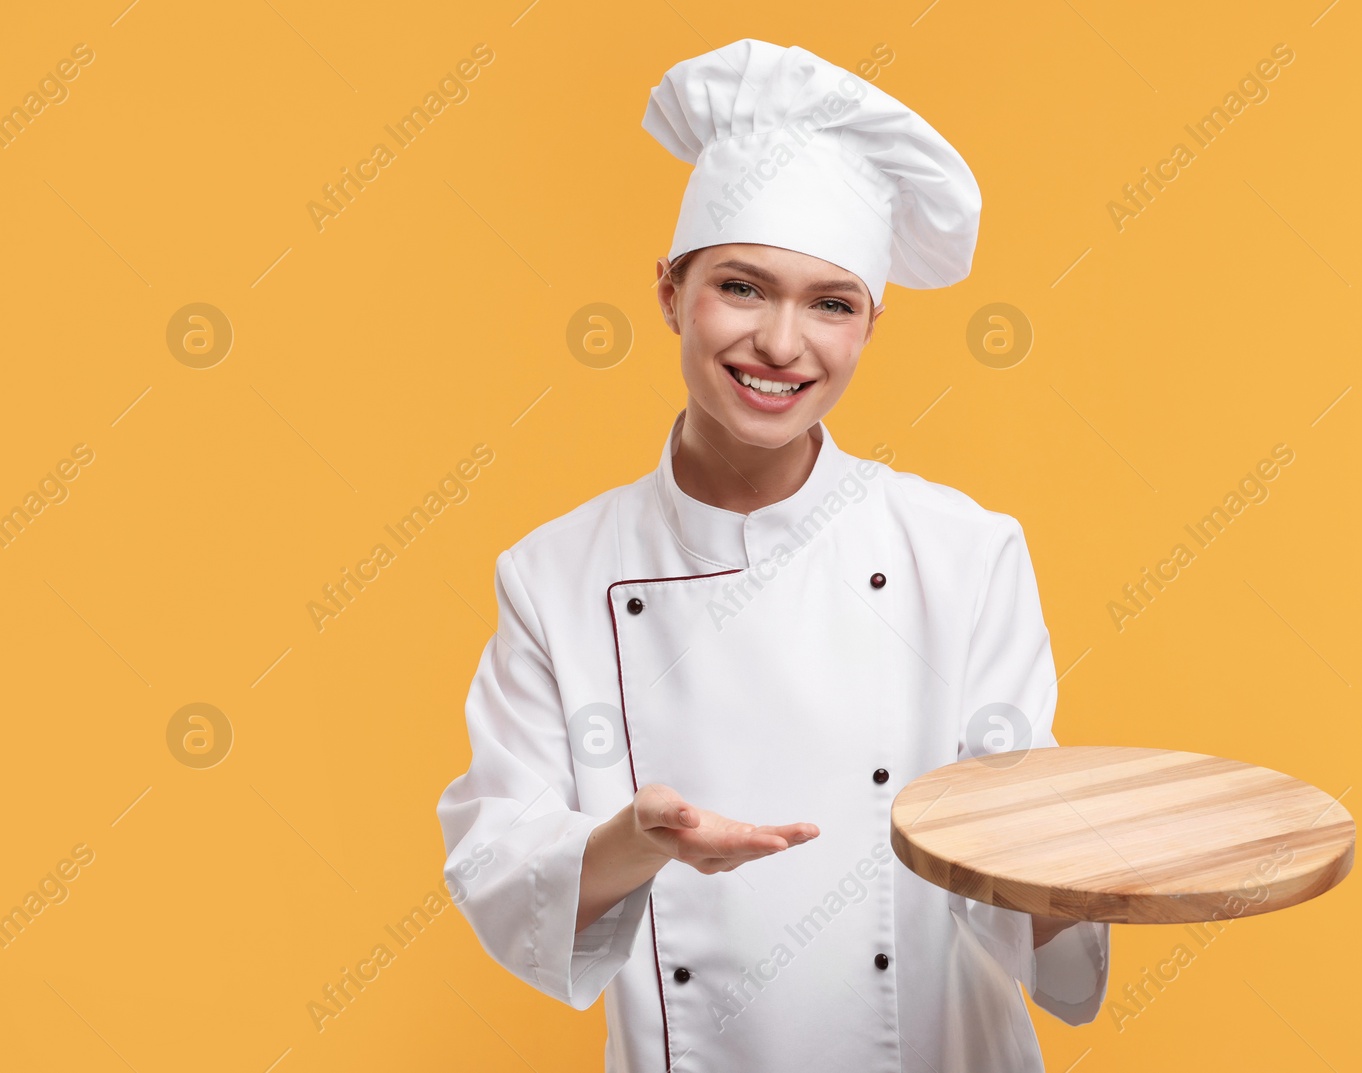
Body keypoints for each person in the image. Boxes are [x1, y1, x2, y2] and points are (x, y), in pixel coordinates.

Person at [437, 38, 1111, 1072]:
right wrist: (640, 836)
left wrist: (1098, 867)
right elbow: (498, 862)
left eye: (830, 302)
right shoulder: (555, 576)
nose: (783, 345)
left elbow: (1014, 872)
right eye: (742, 287)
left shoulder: (962, 552)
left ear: (870, 325)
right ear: (669, 289)